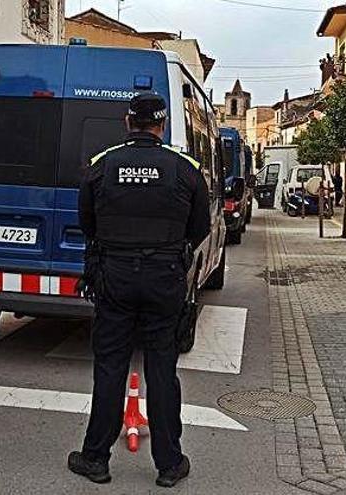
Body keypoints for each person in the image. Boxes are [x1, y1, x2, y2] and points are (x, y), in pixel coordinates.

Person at [68, 93, 210, 488]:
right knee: (162, 369)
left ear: (128, 122)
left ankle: (95, 457)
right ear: (161, 125)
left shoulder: (101, 165)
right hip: (164, 276)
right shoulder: (185, 169)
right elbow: (199, 228)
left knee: (110, 367)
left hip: (114, 274)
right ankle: (169, 463)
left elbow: (87, 223)